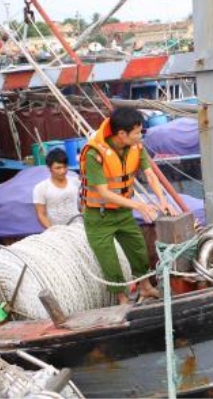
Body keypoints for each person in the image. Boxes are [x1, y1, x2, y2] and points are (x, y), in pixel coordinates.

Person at [79, 107, 176, 305]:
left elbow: (149, 173)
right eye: (137, 132)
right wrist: (139, 206)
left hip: (122, 213)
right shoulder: (94, 153)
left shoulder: (136, 147)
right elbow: (104, 192)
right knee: (109, 260)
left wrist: (163, 201)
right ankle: (122, 298)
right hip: (99, 217)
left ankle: (146, 287)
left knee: (138, 249)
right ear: (122, 134)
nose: (140, 136)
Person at [32, 148, 81, 229]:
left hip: (77, 228)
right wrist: (53, 230)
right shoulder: (41, 188)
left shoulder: (76, 182)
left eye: (65, 167)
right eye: (58, 168)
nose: (62, 171)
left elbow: (83, 205)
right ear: (49, 168)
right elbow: (41, 214)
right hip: (55, 231)